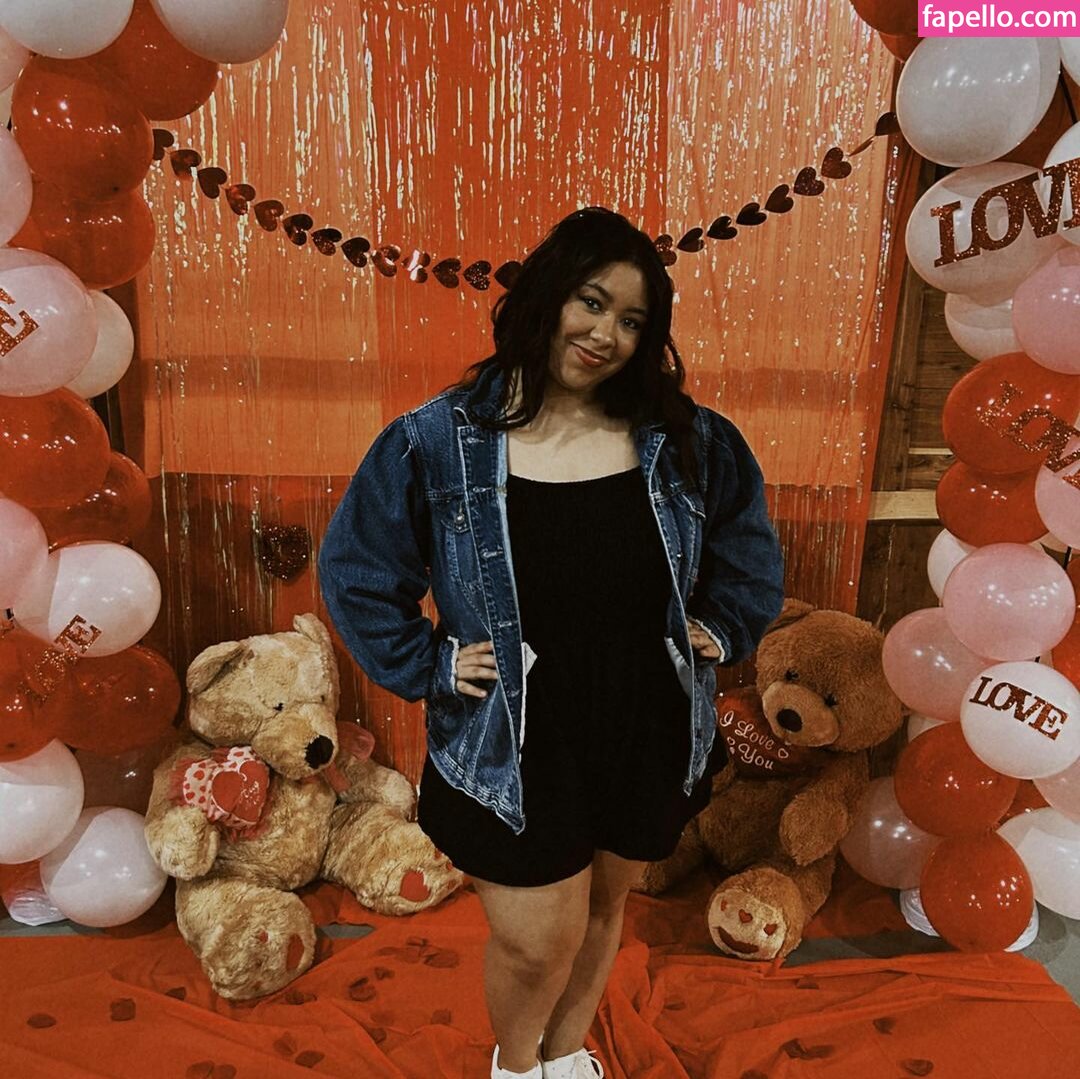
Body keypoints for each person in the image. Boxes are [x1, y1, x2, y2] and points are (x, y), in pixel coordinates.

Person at [318, 207, 784, 1079]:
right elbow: (356, 569)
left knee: (604, 909)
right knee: (537, 940)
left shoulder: (686, 438)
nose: (606, 334)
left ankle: (564, 1057)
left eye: (633, 320)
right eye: (592, 302)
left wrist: (722, 627)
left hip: (644, 715)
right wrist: (428, 663)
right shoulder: (438, 441)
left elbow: (748, 551)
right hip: (515, 731)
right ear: (547, 296)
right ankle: (516, 1065)